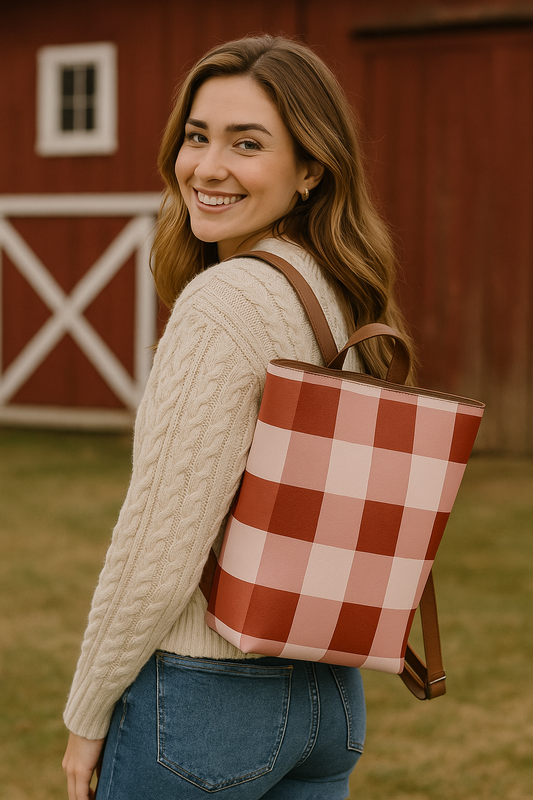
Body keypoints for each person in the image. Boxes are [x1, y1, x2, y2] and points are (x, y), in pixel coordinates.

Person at [62, 34, 416, 800]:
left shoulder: (224, 304)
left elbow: (159, 549)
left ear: (311, 169)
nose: (208, 166)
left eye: (245, 143)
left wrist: (87, 713)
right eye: (197, 137)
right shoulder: (339, 295)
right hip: (328, 698)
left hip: (205, 705)